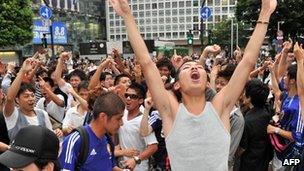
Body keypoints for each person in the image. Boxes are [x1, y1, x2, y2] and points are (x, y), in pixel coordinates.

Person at [109, 0, 277, 170]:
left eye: (198, 66)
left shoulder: (220, 107)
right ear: (177, 85)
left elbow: (248, 60)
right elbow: (146, 62)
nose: (195, 66)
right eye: (187, 67)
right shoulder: (171, 111)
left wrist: (264, 14)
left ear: (206, 80)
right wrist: (127, 15)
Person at [59, 92, 125, 171]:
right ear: (103, 117)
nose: (121, 123)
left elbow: (110, 166)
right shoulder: (75, 140)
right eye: (118, 118)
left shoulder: (107, 139)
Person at [3, 58, 54, 141]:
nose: (31, 99)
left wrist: (57, 132)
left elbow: (50, 137)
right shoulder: (13, 115)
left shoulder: (43, 114)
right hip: (19, 154)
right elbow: (9, 98)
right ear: (17, 100)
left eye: (32, 95)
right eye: (26, 96)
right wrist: (23, 70)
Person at [238, 79, 273, 171]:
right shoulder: (267, 110)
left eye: (245, 92)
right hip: (263, 160)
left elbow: (242, 148)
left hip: (249, 163)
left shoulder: (248, 121)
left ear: (249, 98)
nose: (243, 94)